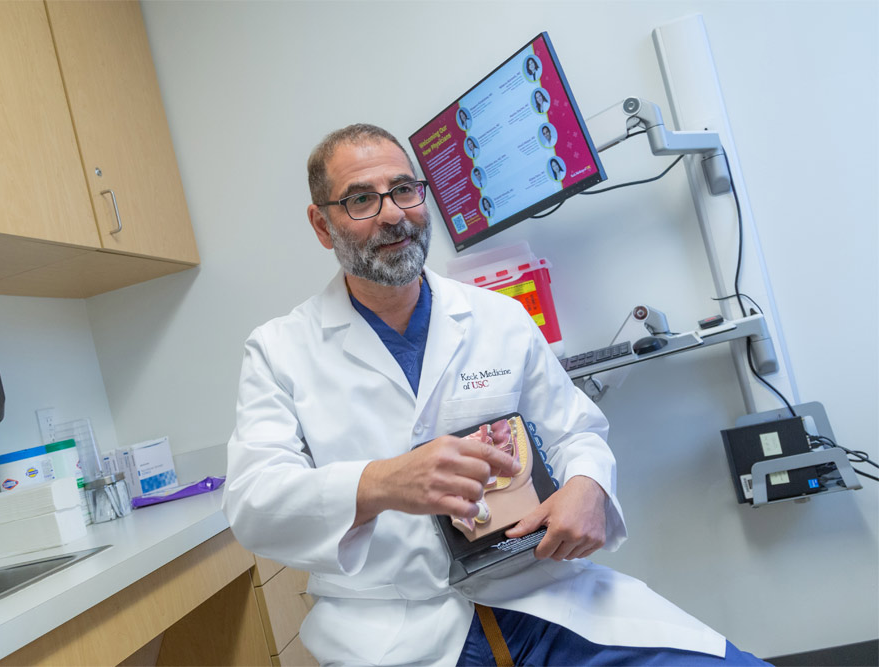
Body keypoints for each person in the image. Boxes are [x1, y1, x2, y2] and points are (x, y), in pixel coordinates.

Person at [224, 123, 769, 666]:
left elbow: (575, 430)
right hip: (393, 630)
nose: (393, 214)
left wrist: (588, 484)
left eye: (404, 190)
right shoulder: (280, 351)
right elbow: (254, 505)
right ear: (322, 224)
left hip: (541, 601)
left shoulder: (498, 317)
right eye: (361, 199)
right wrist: (382, 482)